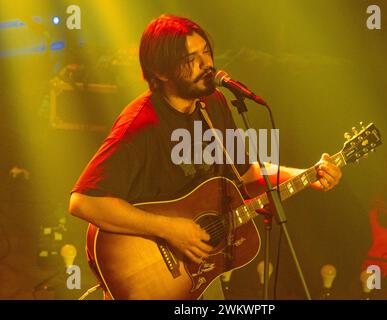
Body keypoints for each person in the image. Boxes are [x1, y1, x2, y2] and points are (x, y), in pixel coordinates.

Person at [69, 14, 342, 299]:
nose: (207, 65)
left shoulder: (213, 104)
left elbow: (247, 175)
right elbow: (83, 202)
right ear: (161, 72)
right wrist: (170, 229)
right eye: (191, 59)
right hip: (148, 274)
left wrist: (308, 175)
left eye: (206, 52)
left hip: (198, 276)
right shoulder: (141, 125)